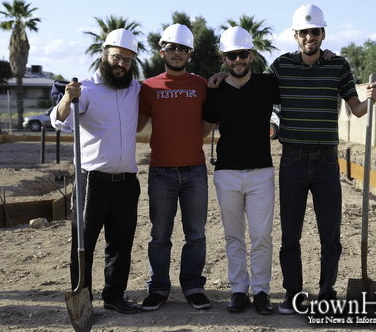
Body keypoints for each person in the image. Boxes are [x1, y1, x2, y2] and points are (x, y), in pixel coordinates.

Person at [267, 4, 376, 314]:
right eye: (303, 32)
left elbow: (356, 109)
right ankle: (293, 294)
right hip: (292, 162)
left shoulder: (338, 66)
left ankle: (326, 292)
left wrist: (370, 99)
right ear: (295, 36)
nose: (309, 37)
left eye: (314, 31)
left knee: (330, 234)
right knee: (290, 235)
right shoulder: (280, 67)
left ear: (323, 34)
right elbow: (258, 95)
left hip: (327, 164)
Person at [50, 28, 141, 314]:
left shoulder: (135, 88)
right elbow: (59, 121)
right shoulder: (85, 90)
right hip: (93, 182)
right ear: (105, 55)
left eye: (127, 60)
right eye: (117, 57)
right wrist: (66, 98)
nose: (121, 64)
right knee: (84, 242)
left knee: (121, 243)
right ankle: (83, 297)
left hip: (127, 181)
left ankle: (115, 296)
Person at [202, 27, 280, 315]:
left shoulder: (267, 85)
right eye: (232, 55)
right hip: (227, 174)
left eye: (243, 54)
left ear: (252, 55)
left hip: (261, 173)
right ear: (224, 59)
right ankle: (238, 290)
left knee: (261, 236)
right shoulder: (215, 92)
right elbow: (202, 129)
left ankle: (261, 290)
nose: (238, 60)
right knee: (233, 236)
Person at [137, 23, 210, 311]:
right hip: (161, 172)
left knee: (196, 234)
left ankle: (193, 286)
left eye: (182, 48)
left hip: (194, 171)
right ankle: (159, 288)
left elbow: (209, 121)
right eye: (171, 48)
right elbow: (135, 123)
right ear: (161, 51)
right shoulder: (148, 87)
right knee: (159, 235)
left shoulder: (202, 85)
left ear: (190, 53)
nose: (176, 53)